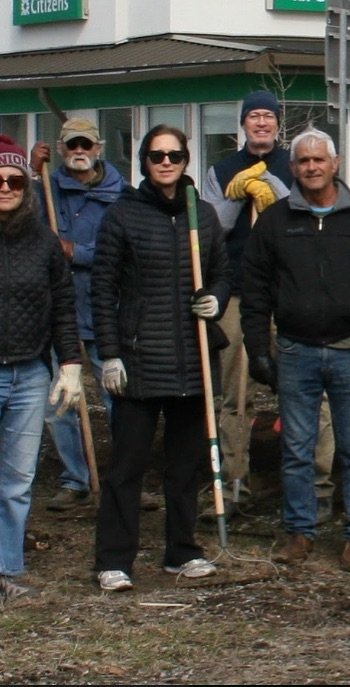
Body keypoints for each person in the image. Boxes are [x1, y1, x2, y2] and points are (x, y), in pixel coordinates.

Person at [240, 127, 350, 574]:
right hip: (296, 351)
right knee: (296, 448)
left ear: (334, 165)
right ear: (292, 169)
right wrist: (258, 349)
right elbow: (254, 291)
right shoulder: (275, 222)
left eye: (319, 160)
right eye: (303, 161)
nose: (311, 167)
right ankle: (299, 531)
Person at [91, 125, 229, 592]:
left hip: (192, 361)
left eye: (174, 155)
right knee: (126, 467)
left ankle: (182, 552)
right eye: (156, 156)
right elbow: (103, 288)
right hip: (139, 360)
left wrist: (216, 299)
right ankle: (114, 559)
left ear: (186, 159)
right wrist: (109, 354)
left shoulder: (202, 216)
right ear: (144, 162)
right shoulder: (123, 216)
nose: (166, 162)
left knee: (185, 466)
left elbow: (223, 273)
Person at [199, 90, 336, 523]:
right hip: (240, 293)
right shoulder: (221, 170)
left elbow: (309, 209)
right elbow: (210, 227)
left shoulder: (296, 164)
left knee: (310, 392)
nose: (261, 123)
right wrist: (237, 193)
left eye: (268, 117)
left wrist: (272, 188)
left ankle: (318, 485)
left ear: (278, 124)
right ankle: (233, 481)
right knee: (236, 395)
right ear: (243, 123)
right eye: (253, 116)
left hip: (293, 292)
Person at [0, 135, 82, 600]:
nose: (7, 187)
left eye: (14, 179)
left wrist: (69, 362)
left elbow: (63, 305)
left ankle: (7, 569)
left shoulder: (43, 240)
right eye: (0, 180)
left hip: (30, 374)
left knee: (16, 481)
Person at [29, 118, 124, 511]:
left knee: (117, 395)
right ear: (62, 149)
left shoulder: (120, 196)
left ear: (98, 147)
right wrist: (32, 169)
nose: (79, 151)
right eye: (71, 146)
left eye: (86, 144)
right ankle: (75, 479)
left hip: (103, 306)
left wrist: (75, 251)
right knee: (60, 401)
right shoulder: (46, 189)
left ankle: (123, 477)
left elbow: (121, 251)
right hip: (57, 309)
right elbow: (17, 214)